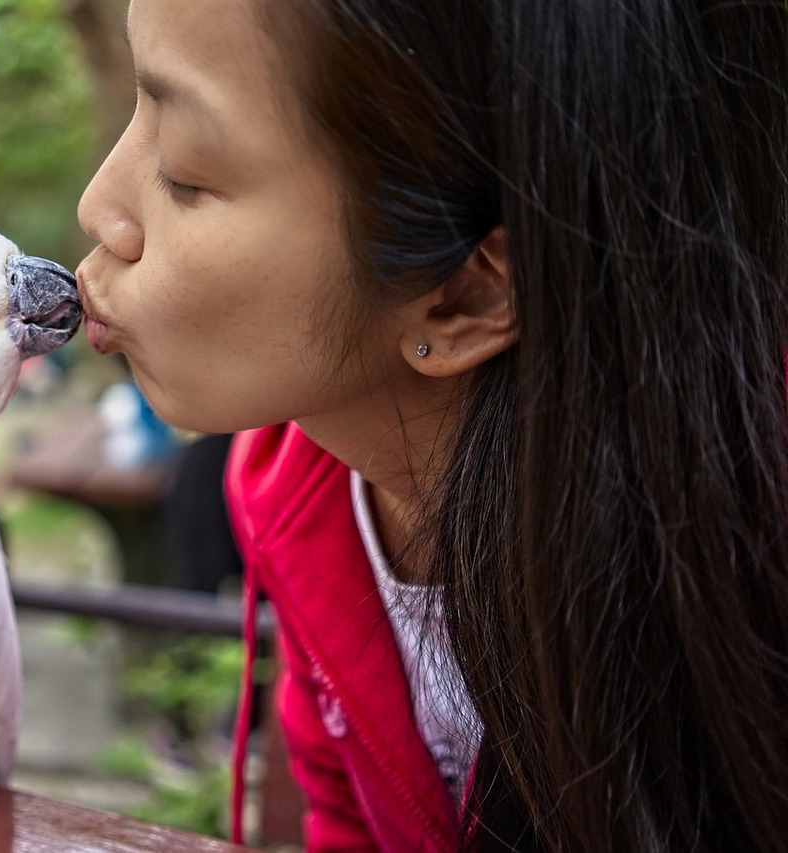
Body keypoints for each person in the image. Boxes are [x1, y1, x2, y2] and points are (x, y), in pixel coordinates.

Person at [74, 0, 788, 849]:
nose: (98, 208)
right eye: (136, 107)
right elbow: (346, 820)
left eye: (188, 171)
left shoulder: (749, 542)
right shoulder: (300, 496)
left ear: (467, 296)